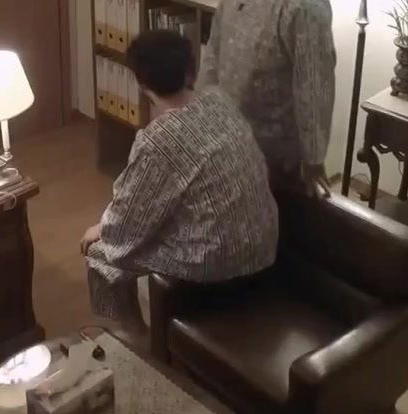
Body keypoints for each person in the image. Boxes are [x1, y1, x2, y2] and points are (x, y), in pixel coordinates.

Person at [81, 30, 278, 329]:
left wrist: (100, 228)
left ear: (141, 84)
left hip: (222, 266)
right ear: (191, 71)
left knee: (100, 253)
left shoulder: (158, 141)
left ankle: (136, 343)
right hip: (264, 247)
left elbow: (126, 224)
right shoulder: (221, 102)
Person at [199, 0, 336, 194]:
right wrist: (201, 114)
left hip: (272, 158)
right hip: (224, 141)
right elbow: (214, 49)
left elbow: (314, 87)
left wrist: (314, 159)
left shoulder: (304, 3)